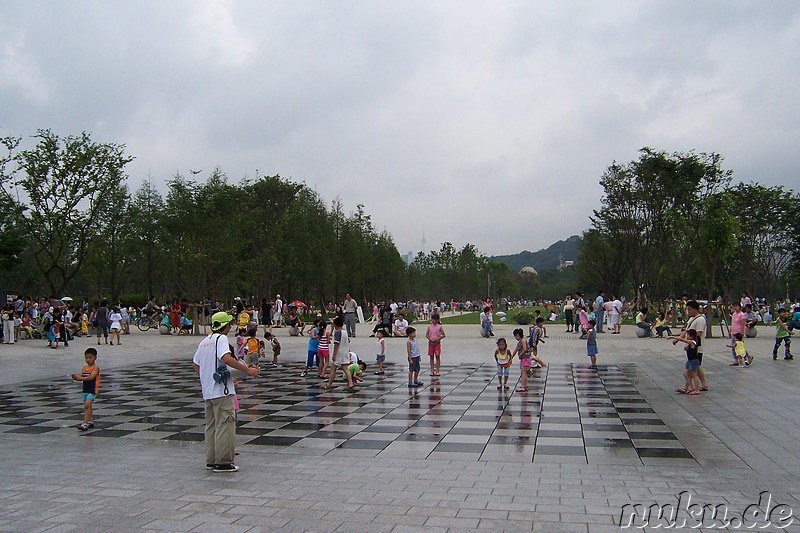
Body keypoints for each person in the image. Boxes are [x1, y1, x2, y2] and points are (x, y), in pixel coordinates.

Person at [192, 311, 258, 473]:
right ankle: (223, 462)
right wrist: (247, 370)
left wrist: (206, 376)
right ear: (225, 325)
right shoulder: (221, 339)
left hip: (208, 392)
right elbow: (226, 358)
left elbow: (195, 364)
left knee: (211, 426)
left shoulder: (205, 341)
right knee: (225, 425)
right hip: (221, 391)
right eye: (229, 323)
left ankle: (211, 460)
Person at [672, 300, 708, 392]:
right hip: (691, 347)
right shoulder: (692, 319)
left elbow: (698, 334)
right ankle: (704, 385)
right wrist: (678, 338)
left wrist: (690, 344)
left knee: (691, 370)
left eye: (690, 309)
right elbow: (686, 331)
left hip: (696, 348)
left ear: (695, 309)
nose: (688, 311)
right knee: (696, 366)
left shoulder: (700, 320)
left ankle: (687, 387)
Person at [71, 347, 100, 431]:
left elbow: (91, 377)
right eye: (86, 358)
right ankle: (90, 420)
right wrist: (76, 377)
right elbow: (81, 376)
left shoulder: (96, 367)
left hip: (92, 389)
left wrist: (80, 378)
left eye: (90, 358)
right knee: (88, 406)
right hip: (85, 389)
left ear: (95, 358)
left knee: (87, 405)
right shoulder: (84, 368)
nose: (88, 360)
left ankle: (85, 422)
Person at [326, 316, 354, 389]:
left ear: (335, 325)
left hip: (339, 353)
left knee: (333, 368)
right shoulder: (345, 332)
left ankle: (329, 384)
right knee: (345, 368)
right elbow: (348, 341)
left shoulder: (337, 332)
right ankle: (350, 383)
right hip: (345, 352)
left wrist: (334, 354)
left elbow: (336, 344)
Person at [670, 329, 701, 395]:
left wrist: (673, 337)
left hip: (694, 361)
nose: (687, 337)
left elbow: (682, 340)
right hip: (690, 360)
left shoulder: (693, 342)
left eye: (688, 335)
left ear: (692, 336)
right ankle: (691, 387)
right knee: (685, 373)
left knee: (694, 375)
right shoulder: (691, 343)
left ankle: (697, 389)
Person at [512, 328, 530, 393]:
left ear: (517, 335)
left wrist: (520, 355)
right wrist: (511, 358)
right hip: (523, 359)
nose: (515, 338)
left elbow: (525, 349)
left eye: (515, 336)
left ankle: (523, 386)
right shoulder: (520, 342)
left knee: (523, 373)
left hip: (525, 358)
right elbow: (515, 350)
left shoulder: (523, 341)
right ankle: (525, 385)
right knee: (523, 372)